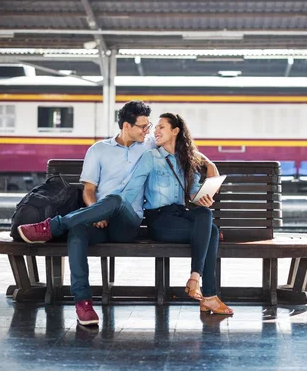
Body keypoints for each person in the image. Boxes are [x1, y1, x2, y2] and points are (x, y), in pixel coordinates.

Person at [18, 101, 219, 326]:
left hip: (128, 220)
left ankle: (53, 226)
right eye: (143, 126)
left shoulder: (148, 145)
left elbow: (180, 147)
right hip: (98, 218)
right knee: (77, 233)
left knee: (115, 199)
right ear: (126, 126)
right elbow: (89, 190)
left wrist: (208, 163)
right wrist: (96, 212)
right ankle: (83, 302)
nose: (148, 130)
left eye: (150, 125)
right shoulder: (98, 150)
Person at [120, 113, 233, 316]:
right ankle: (208, 296)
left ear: (175, 131)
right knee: (212, 233)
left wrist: (203, 197)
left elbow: (192, 195)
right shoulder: (150, 158)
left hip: (181, 215)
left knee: (205, 215)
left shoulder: (186, 161)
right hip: (160, 220)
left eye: (161, 127)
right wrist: (112, 212)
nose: (156, 131)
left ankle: (195, 280)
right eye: (156, 128)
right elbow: (131, 189)